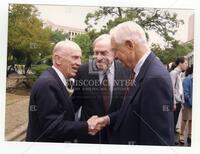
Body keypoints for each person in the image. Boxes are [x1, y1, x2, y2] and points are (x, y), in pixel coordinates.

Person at [95, 21, 175, 145]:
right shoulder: (141, 71)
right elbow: (132, 111)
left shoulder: (154, 79)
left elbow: (157, 140)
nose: (115, 56)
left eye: (116, 50)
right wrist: (107, 119)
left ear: (130, 45)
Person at [26, 40, 102, 142]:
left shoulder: (55, 80)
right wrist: (86, 126)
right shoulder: (48, 84)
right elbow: (52, 128)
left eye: (80, 58)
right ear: (58, 59)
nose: (79, 63)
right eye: (75, 57)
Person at [72, 34, 130, 143]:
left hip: (118, 137)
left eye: (103, 53)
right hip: (90, 137)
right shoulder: (83, 71)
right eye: (96, 53)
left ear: (115, 53)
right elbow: (75, 102)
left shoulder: (127, 70)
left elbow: (129, 105)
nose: (98, 57)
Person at [170, 57, 188, 143]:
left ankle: (172, 139)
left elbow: (180, 89)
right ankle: (171, 139)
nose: (186, 65)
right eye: (185, 63)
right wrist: (173, 102)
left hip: (178, 101)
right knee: (172, 121)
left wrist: (182, 101)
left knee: (174, 120)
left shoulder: (179, 74)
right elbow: (171, 89)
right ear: (180, 63)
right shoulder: (174, 73)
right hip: (175, 102)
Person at [179, 65, 193, 145]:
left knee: (191, 119)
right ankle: (181, 134)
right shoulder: (187, 79)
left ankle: (190, 134)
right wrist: (192, 103)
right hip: (187, 103)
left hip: (193, 103)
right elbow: (186, 94)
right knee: (185, 119)